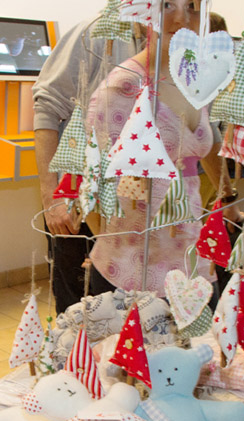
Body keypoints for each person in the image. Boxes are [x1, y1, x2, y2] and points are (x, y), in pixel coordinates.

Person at [84, 0, 227, 296]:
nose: (182, 19)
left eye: (192, 6)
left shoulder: (190, 79)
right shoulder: (124, 86)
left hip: (189, 263)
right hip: (132, 271)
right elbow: (89, 186)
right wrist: (114, 247)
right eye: (168, 5)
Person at [32, 17, 141, 314]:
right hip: (77, 202)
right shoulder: (96, 34)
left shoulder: (164, 49)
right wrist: (52, 197)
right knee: (76, 310)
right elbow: (47, 108)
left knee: (121, 311)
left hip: (130, 208)